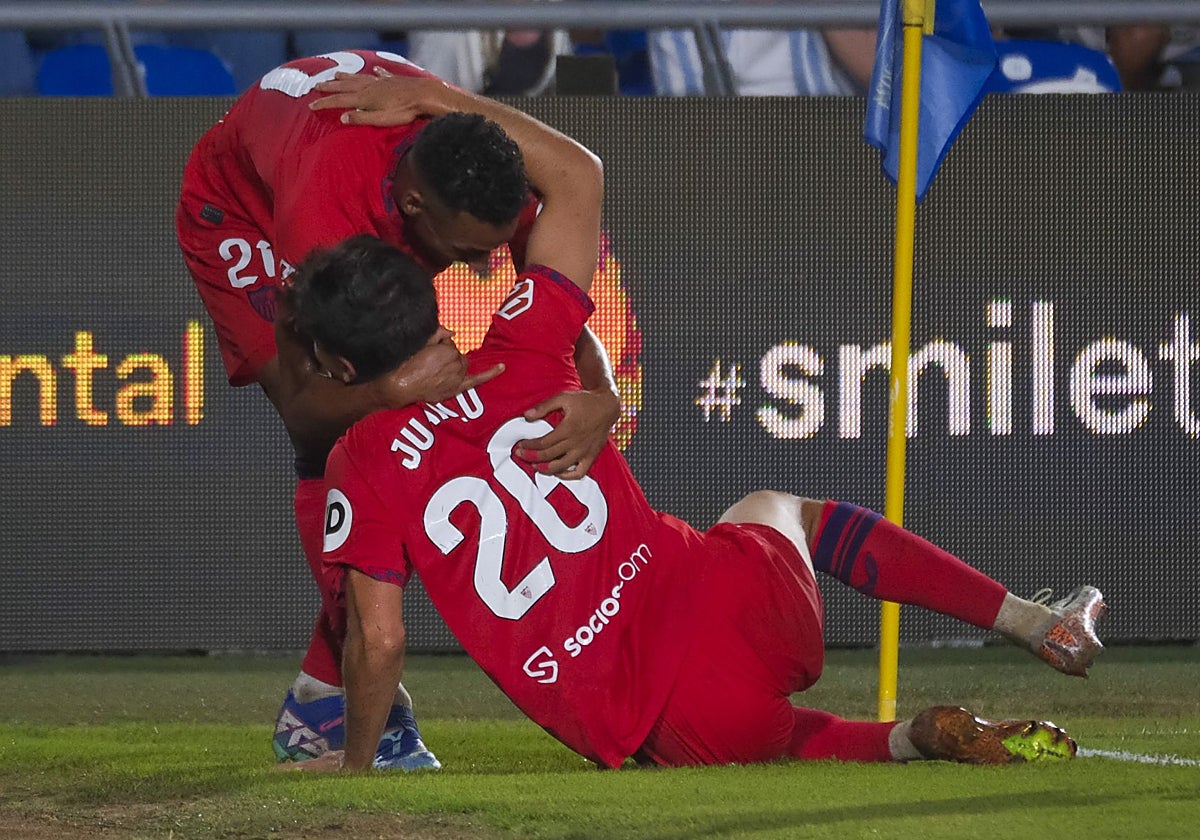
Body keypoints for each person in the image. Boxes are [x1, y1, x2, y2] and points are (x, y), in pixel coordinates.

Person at [281, 76, 1106, 773]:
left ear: (343, 367)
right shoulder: (524, 345)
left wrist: (359, 771)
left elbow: (379, 642)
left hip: (664, 719)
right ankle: (1032, 624)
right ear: (434, 300)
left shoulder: (363, 460)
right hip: (742, 609)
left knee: (776, 742)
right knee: (779, 508)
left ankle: (907, 738)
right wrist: (432, 96)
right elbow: (576, 173)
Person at [176, 49, 621, 769]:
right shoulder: (323, 220)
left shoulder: (477, 169)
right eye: (468, 251)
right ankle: (346, 707)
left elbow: (554, 292)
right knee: (359, 438)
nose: (483, 267)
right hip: (240, 213)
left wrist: (600, 395)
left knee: (418, 426)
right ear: (415, 208)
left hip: (373, 141)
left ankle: (321, 696)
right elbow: (306, 408)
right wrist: (388, 391)